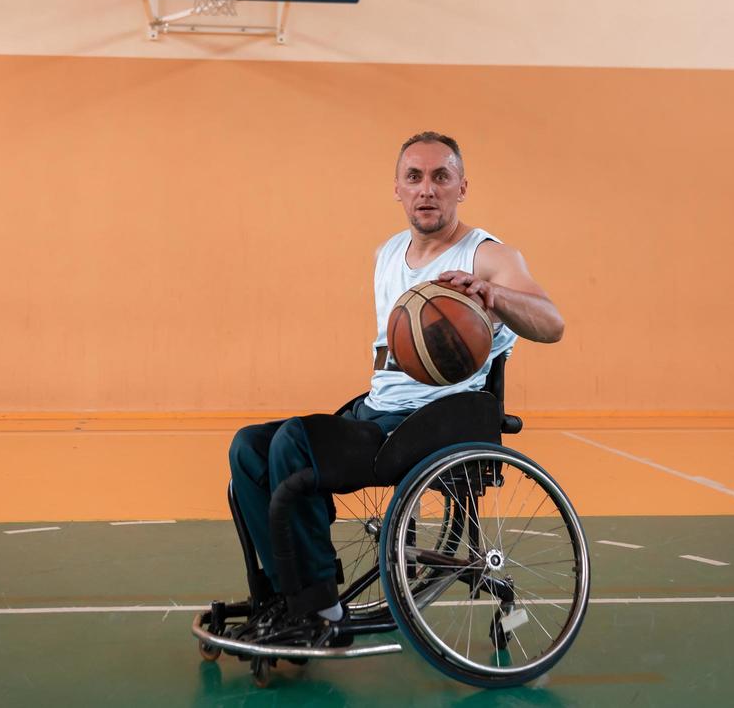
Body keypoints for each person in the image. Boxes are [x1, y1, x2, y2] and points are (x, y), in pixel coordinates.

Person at [226, 131, 565, 645]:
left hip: (433, 423)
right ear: (398, 189)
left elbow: (552, 322)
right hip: (377, 412)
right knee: (250, 446)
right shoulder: (387, 254)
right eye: (414, 177)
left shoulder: (487, 256)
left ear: (462, 187)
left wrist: (494, 295)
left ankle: (321, 612)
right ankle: (285, 595)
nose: (426, 189)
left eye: (440, 177)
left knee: (295, 443)